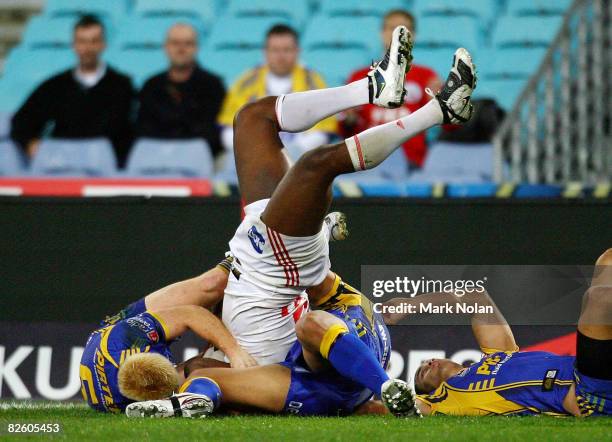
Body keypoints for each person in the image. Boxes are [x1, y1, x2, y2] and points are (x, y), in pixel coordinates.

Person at [123, 26, 477, 418]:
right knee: (317, 165)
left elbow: (206, 310)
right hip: (276, 262)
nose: (174, 364)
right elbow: (202, 356)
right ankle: (436, 112)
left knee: (252, 118)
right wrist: (191, 376)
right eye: (171, 369)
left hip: (259, 242)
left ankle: (375, 88)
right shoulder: (213, 372)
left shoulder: (212, 355)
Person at [382, 249, 612, 417]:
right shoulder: (441, 402)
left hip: (587, 367)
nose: (428, 363)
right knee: (599, 298)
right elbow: (395, 407)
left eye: (426, 361)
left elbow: (476, 299)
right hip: (585, 394)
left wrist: (409, 305)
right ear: (429, 392)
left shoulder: (498, 354)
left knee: (607, 260)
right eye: (422, 373)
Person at [79, 259, 257, 413]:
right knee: (206, 371)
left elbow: (191, 314)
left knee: (213, 284)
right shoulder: (137, 404)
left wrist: (234, 352)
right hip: (114, 370)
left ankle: (248, 248)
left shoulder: (129, 337)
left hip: (113, 334)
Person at [10, 15, 134, 167]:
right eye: (82, 41)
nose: (88, 48)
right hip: (62, 169)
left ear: (103, 44)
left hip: (106, 170)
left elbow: (128, 133)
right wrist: (30, 143)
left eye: (94, 41)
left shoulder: (122, 86)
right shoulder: (55, 86)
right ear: (74, 45)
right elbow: (22, 121)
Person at [341, 10, 442, 171]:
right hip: (367, 161)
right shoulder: (359, 76)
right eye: (392, 28)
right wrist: (348, 119)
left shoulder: (426, 76)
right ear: (382, 33)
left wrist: (440, 105)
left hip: (411, 162)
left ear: (413, 36)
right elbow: (345, 129)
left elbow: (447, 126)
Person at [218, 24, 336, 159]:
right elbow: (228, 128)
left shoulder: (313, 82)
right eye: (275, 50)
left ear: (297, 51)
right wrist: (253, 149)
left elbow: (323, 131)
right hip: (251, 155)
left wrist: (293, 152)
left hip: (299, 158)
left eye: (287, 50)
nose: (281, 56)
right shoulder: (245, 83)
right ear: (265, 52)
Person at [137, 23, 226, 159]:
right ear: (165, 47)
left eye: (188, 43)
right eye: (175, 43)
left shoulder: (213, 85)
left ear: (196, 48)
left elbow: (213, 132)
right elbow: (143, 129)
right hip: (156, 158)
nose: (181, 49)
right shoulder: (151, 86)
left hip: (202, 160)